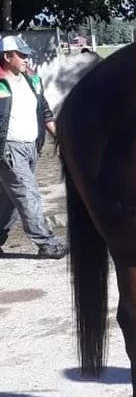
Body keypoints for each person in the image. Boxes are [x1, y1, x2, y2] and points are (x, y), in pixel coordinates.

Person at [0, 35, 67, 258]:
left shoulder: (33, 81)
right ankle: (46, 243)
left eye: (27, 54)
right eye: (22, 55)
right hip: (8, 150)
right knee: (28, 195)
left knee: (9, 199)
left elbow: (45, 113)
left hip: (31, 148)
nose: (27, 59)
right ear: (7, 56)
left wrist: (60, 139)